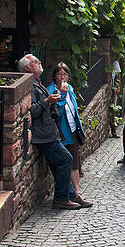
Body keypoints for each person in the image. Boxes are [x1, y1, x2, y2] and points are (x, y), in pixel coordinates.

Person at [20, 53, 91, 210]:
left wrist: (54, 102)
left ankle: (71, 194)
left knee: (58, 163)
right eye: (35, 62)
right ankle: (61, 198)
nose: (39, 62)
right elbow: (33, 110)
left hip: (51, 131)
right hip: (44, 134)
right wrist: (48, 101)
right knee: (66, 159)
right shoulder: (29, 86)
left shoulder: (37, 83)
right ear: (27, 68)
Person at [47, 62, 91, 201]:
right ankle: (68, 193)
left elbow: (73, 110)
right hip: (61, 131)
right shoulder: (51, 91)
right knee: (65, 162)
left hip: (72, 129)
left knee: (75, 162)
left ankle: (76, 192)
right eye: (60, 74)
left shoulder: (70, 89)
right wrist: (62, 95)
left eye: (65, 74)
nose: (62, 77)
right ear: (55, 76)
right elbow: (56, 113)